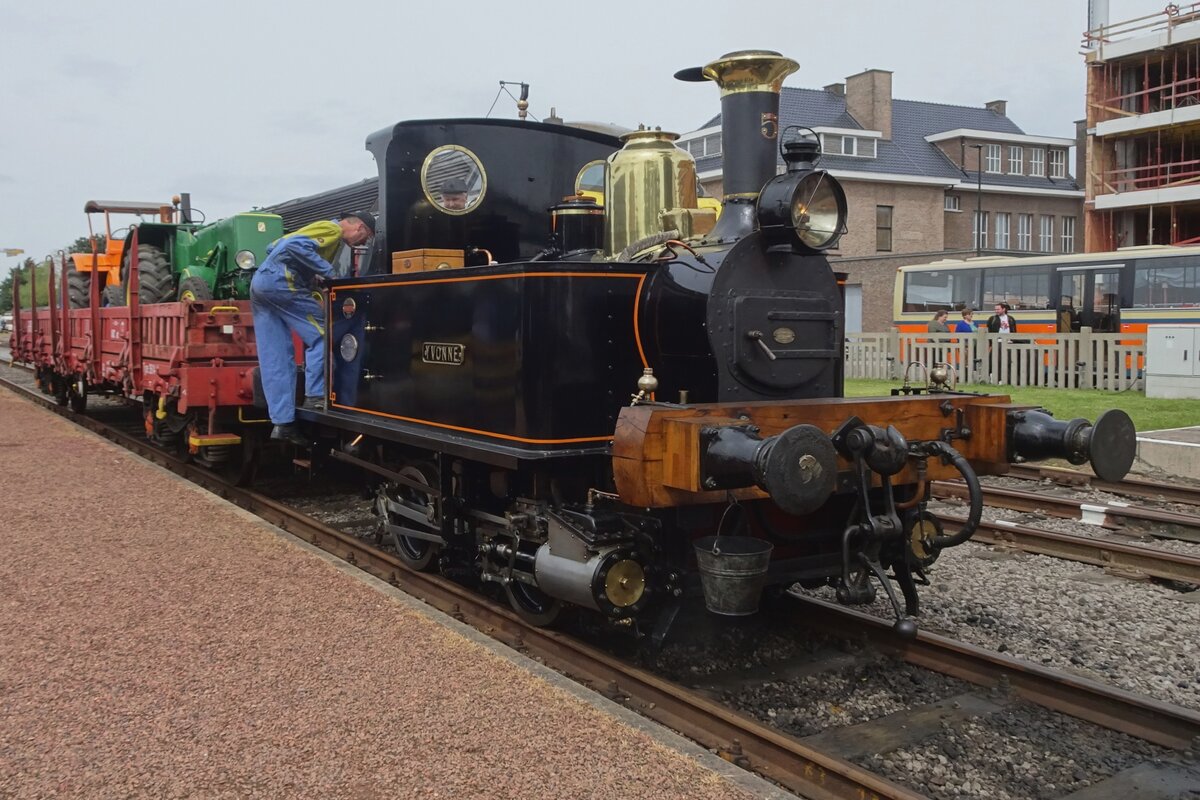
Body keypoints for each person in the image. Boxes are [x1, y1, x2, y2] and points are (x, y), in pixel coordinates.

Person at [251, 211, 375, 446]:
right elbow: (294, 246)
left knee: (274, 355)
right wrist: (329, 275)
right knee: (323, 335)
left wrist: (311, 279)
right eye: (365, 237)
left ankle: (282, 423)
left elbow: (272, 246)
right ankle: (315, 396)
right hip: (281, 282)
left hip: (261, 283)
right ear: (360, 227)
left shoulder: (317, 229)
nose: (362, 243)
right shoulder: (332, 229)